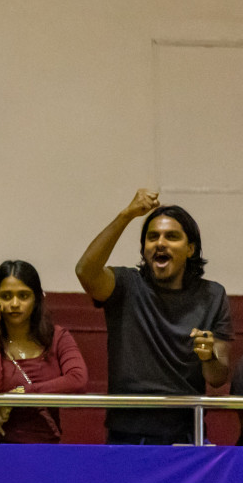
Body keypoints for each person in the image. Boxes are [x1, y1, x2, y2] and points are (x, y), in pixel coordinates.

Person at [75, 190, 233, 444]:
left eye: (171, 237)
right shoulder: (125, 284)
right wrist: (126, 215)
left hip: (185, 431)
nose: (160, 243)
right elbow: (85, 271)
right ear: (144, 249)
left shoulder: (212, 295)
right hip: (126, 430)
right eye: (152, 237)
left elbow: (217, 378)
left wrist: (208, 355)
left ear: (190, 249)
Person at [0, 260, 88, 443]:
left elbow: (78, 380)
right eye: (6, 296)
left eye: (23, 295)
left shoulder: (57, 337)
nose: (14, 303)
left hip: (46, 450)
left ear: (36, 299)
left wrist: (22, 394)